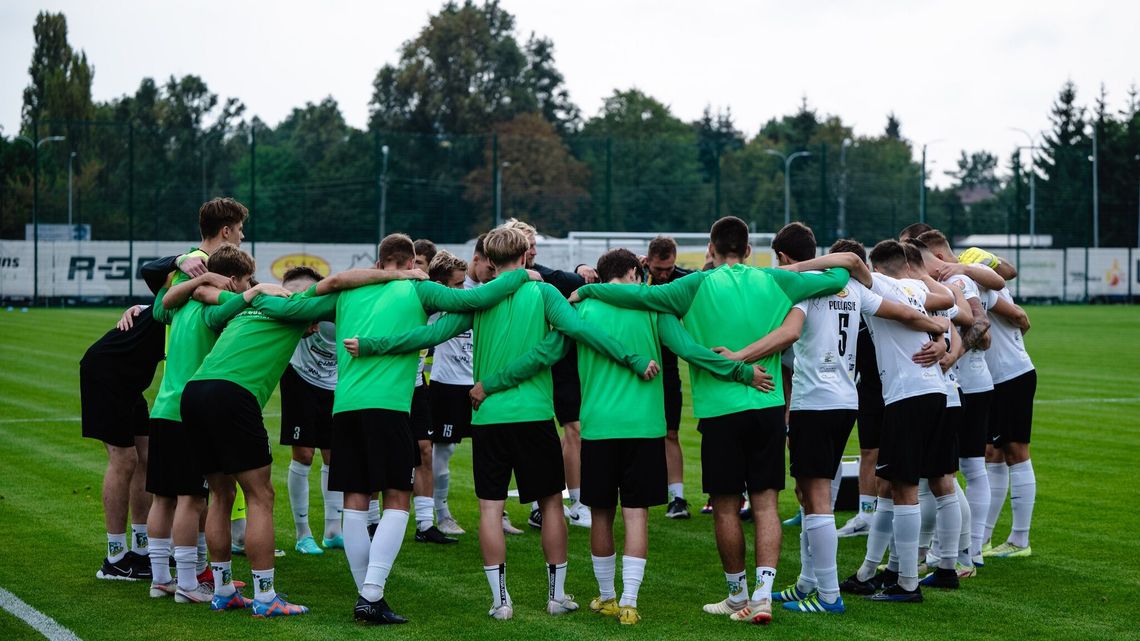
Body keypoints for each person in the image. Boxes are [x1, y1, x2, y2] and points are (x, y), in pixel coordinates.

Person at [348, 227, 656, 620]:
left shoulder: (480, 299)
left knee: (490, 509)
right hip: (533, 416)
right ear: (526, 256)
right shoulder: (543, 293)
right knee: (550, 505)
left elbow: (428, 335)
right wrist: (631, 358)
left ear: (490, 262)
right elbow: (583, 331)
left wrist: (373, 345)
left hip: (490, 417)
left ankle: (500, 602)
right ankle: (556, 596)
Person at [569, 216, 851, 624]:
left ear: (711, 250)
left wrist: (588, 287)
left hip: (719, 412)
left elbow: (640, 299)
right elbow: (839, 274)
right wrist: (793, 269)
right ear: (749, 250)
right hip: (768, 399)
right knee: (767, 504)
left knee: (725, 507)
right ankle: (765, 595)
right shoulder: (775, 280)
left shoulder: (695, 284)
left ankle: (737, 595)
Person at [476, 248, 772, 624]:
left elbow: (546, 353)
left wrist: (493, 382)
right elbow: (690, 351)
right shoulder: (651, 308)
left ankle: (606, 597)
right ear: (635, 272)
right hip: (646, 429)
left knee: (601, 518)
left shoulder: (582, 308)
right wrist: (742, 373)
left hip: (598, 429)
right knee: (636, 518)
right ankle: (630, 601)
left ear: (601, 276)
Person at [256, 233, 537, 624]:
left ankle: (365, 594)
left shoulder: (348, 293)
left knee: (356, 500)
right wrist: (522, 276)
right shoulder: (417, 289)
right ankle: (371, 594)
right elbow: (473, 300)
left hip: (346, 407)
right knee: (396, 499)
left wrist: (251, 294)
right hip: (388, 409)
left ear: (379, 261)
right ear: (410, 263)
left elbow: (289, 309)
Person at [763, 227, 947, 614]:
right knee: (812, 494)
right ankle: (808, 583)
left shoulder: (802, 285)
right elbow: (903, 313)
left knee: (815, 498)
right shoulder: (853, 289)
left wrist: (738, 359)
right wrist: (938, 329)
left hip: (813, 401)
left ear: (782, 257)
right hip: (848, 400)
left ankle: (827, 595)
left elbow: (788, 332)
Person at [145, 244, 268, 604]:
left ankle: (160, 579)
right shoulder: (216, 307)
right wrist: (254, 291)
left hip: (163, 407)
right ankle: (186, 583)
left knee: (163, 498)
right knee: (192, 499)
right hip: (188, 411)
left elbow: (160, 305)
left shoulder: (180, 305)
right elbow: (242, 304)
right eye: (245, 280)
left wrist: (203, 282)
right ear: (234, 279)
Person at [838, 240, 952, 604]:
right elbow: (947, 302)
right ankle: (875, 572)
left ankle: (906, 583)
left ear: (877, 267)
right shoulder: (915, 286)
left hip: (908, 394)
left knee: (904, 488)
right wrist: (941, 337)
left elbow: (851, 261)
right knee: (891, 483)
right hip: (933, 392)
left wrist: (794, 269)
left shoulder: (881, 285)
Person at [84, 252, 207, 581]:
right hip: (106, 372)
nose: (241, 236)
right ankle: (114, 558)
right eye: (238, 230)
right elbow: (151, 271)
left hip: (130, 383)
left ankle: (141, 551)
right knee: (124, 461)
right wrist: (180, 259)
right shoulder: (183, 287)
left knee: (147, 459)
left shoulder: (197, 299)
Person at [502, 218, 598, 530]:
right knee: (527, 439)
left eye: (533, 245)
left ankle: (579, 503)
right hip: (524, 367)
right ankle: (533, 506)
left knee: (574, 429)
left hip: (561, 366)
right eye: (525, 245)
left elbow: (586, 284)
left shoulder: (552, 278)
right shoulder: (498, 285)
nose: (531, 250)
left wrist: (584, 267)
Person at [277, 267, 344, 556]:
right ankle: (303, 533)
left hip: (336, 386)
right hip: (299, 379)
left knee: (334, 455)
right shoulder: (288, 313)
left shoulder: (339, 310)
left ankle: (333, 530)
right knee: (303, 454)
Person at [643, 236, 695, 519]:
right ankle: (643, 492)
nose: (664, 274)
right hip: (637, 368)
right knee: (639, 434)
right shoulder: (635, 279)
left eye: (669, 268)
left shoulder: (683, 280)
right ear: (647, 261)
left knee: (671, 433)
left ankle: (677, 498)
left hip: (668, 369)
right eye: (658, 269)